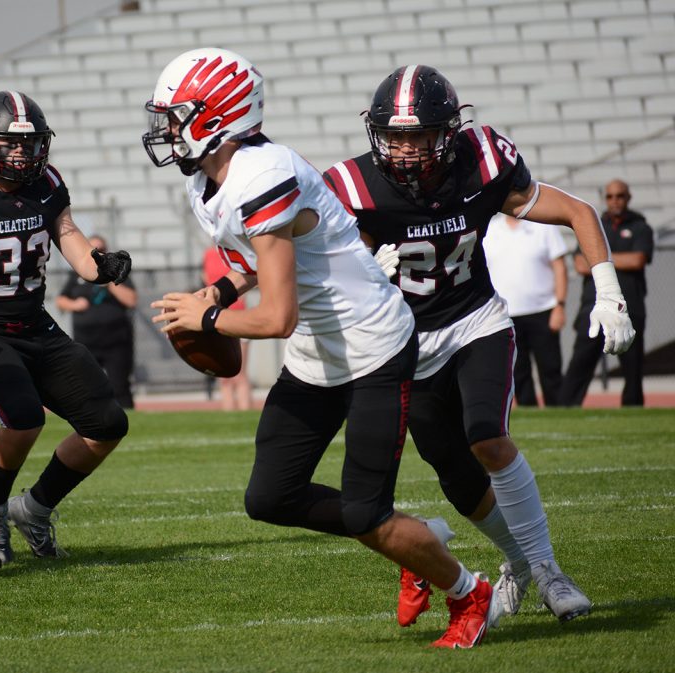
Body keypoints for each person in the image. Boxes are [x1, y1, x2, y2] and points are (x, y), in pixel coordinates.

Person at [145, 48, 496, 649]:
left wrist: (207, 315)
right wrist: (219, 290)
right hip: (318, 350)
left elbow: (278, 317)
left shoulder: (262, 176)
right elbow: (256, 264)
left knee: (365, 514)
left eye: (176, 116)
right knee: (270, 497)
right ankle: (418, 538)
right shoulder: (211, 184)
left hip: (372, 347)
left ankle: (468, 591)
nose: (166, 130)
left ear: (218, 116)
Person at [323, 64, 636, 625]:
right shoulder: (354, 185)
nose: (403, 149)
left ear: (447, 133)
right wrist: (364, 268)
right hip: (404, 341)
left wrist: (608, 291)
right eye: (392, 136)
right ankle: (516, 561)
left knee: (487, 437)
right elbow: (323, 271)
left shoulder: (484, 158)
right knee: (453, 471)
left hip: (476, 319)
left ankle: (548, 571)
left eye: (417, 136)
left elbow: (576, 212)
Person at [0, 90, 131, 564]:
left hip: (36, 324)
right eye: (10, 144)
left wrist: (99, 268)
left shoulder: (46, 182)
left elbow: (67, 233)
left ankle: (33, 507)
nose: (21, 153)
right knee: (24, 417)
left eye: (30, 144)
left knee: (108, 423)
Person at [561, 179, 653, 407]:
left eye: (620, 196)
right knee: (579, 365)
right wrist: (618, 260)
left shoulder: (640, 227)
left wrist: (600, 261)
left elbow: (638, 259)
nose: (615, 201)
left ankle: (633, 414)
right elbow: (580, 264)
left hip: (628, 309)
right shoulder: (594, 225)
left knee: (632, 370)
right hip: (592, 309)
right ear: (605, 199)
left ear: (628, 198)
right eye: (610, 196)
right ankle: (565, 410)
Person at [483, 213, 569, 406]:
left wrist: (560, 305)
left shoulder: (544, 225)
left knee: (550, 368)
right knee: (518, 372)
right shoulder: (490, 228)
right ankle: (529, 412)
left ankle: (559, 413)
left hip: (543, 310)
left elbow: (560, 267)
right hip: (504, 314)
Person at [56, 234, 138, 409]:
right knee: (86, 387)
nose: (98, 255)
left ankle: (129, 422)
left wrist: (108, 281)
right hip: (87, 340)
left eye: (101, 251)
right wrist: (75, 304)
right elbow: (60, 300)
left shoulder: (118, 272)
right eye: (94, 251)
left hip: (115, 340)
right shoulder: (77, 273)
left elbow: (131, 300)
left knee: (119, 386)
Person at [201, 245, 252, 410]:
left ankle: (245, 414)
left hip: (239, 316)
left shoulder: (236, 251)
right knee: (224, 377)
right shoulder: (209, 254)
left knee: (240, 374)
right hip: (216, 317)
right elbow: (206, 280)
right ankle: (230, 412)